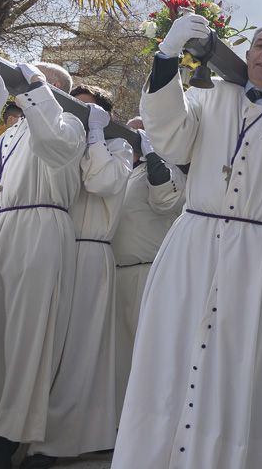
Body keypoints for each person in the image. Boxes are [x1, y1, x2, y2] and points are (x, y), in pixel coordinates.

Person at [112, 16, 262, 468]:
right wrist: (167, 58)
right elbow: (169, 136)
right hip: (192, 246)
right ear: (247, 54)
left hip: (259, 258)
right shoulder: (208, 95)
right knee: (169, 355)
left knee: (235, 367)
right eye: (259, 46)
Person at [24, 85, 133, 467]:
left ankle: (54, 442)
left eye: (88, 112)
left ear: (102, 115)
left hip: (91, 250)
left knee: (79, 351)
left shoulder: (119, 148)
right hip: (57, 244)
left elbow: (102, 182)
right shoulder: (69, 141)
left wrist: (98, 134)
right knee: (47, 346)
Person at [0, 63, 86, 469]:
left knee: (26, 337)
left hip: (40, 225)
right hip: (1, 226)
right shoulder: (9, 132)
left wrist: (37, 88)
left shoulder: (68, 123)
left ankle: (8, 435)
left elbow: (58, 146)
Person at [112, 117, 187, 414]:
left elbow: (165, 199)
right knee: (119, 358)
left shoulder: (169, 171)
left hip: (147, 272)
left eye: (142, 131)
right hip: (118, 273)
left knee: (145, 356)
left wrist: (154, 153)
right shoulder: (131, 171)